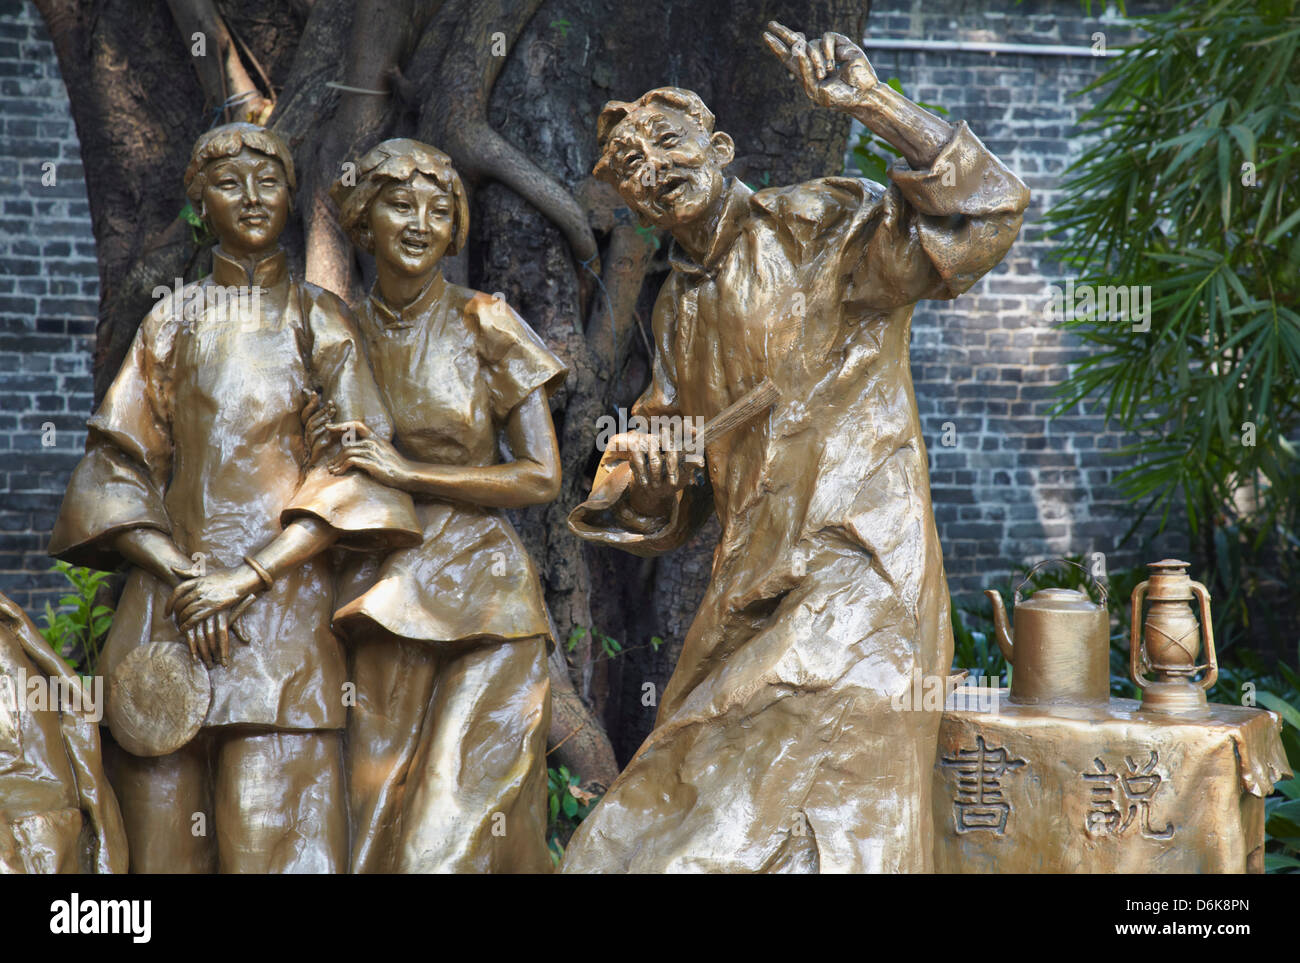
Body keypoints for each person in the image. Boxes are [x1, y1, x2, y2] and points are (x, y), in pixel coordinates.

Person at [562, 23, 1030, 872]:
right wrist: (649, 472)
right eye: (630, 164)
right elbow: (662, 465)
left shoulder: (820, 224)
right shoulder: (676, 310)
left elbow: (988, 210)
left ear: (721, 147)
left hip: (858, 583)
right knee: (634, 837)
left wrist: (874, 105)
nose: (653, 168)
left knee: (732, 839)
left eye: (667, 142)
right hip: (750, 599)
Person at [48, 123, 420, 873]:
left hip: (283, 627)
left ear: (292, 196)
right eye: (229, 183)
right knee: (156, 854)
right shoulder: (171, 319)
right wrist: (188, 577)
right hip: (167, 623)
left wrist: (244, 578)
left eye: (269, 182)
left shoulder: (321, 320)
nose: (251, 199)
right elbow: (114, 467)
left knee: (279, 842)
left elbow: (361, 469)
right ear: (199, 201)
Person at [316, 139, 566, 873]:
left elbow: (540, 477)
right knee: (372, 815)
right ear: (364, 222)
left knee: (452, 829)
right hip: (381, 593)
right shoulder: (336, 331)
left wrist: (412, 473)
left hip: (488, 602)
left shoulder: (485, 321)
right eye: (400, 204)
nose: (421, 222)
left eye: (438, 208)